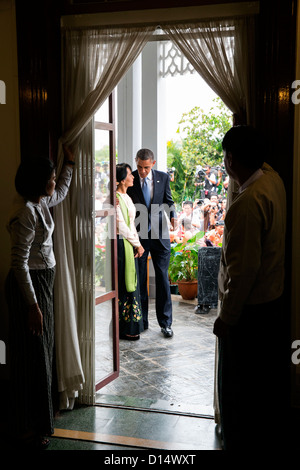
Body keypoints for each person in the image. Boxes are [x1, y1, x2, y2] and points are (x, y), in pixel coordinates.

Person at [213, 125, 288, 450]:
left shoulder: (246, 203)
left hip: (249, 315)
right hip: (272, 304)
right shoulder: (273, 180)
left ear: (231, 160)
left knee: (237, 393)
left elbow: (242, 272)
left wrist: (226, 318)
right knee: (262, 391)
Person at [5, 146, 75, 449]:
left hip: (42, 283)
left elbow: (60, 193)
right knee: (30, 357)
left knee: (41, 354)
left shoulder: (41, 203)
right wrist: (33, 306)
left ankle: (38, 421)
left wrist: (69, 164)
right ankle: (24, 428)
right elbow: (18, 263)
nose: (54, 180)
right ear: (38, 181)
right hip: (29, 288)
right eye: (51, 176)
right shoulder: (25, 213)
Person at [127, 148, 177, 338]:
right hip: (139, 237)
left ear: (153, 164)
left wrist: (173, 216)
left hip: (160, 235)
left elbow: (169, 201)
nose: (142, 171)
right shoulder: (129, 178)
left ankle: (166, 323)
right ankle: (142, 322)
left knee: (163, 278)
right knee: (140, 279)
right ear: (136, 162)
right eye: (139, 167)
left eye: (146, 167)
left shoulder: (163, 178)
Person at [116, 163, 144, 341]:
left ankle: (131, 326)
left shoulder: (126, 197)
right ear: (121, 179)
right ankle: (123, 327)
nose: (133, 176)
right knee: (125, 286)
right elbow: (121, 226)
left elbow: (131, 224)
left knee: (132, 285)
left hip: (129, 243)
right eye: (129, 174)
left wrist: (137, 244)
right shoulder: (115, 198)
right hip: (121, 245)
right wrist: (137, 244)